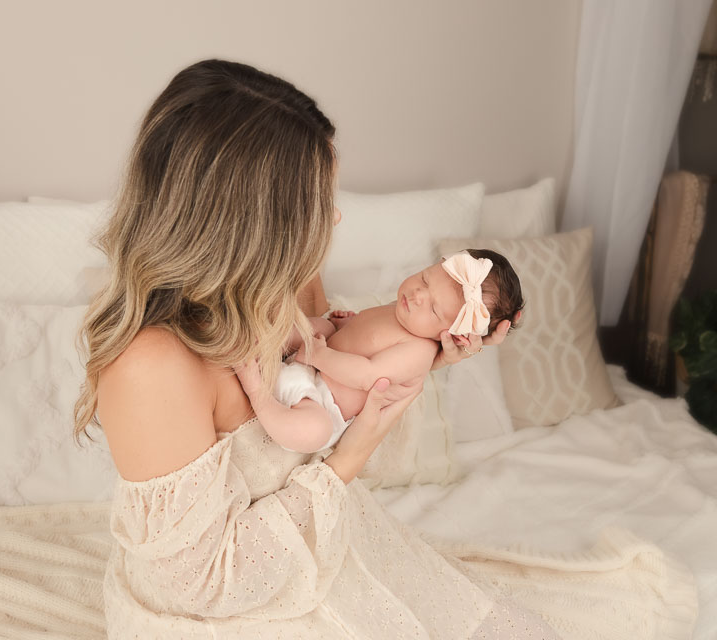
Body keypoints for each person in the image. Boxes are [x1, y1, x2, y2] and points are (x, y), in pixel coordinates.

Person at [76, 59, 697, 639]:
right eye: (321, 201)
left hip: (316, 548)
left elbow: (322, 414)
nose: (336, 219)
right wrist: (354, 454)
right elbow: (205, 585)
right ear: (254, 219)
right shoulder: (150, 366)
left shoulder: (275, 292)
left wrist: (424, 355)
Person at [239, 250, 525, 454]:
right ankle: (255, 337)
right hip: (313, 358)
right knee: (316, 325)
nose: (417, 295)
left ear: (453, 334)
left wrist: (319, 356)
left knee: (315, 431)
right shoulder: (403, 309)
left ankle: (258, 394)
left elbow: (367, 375)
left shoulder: (419, 351)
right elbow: (368, 333)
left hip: (322, 399)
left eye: (434, 308)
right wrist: (346, 323)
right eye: (425, 279)